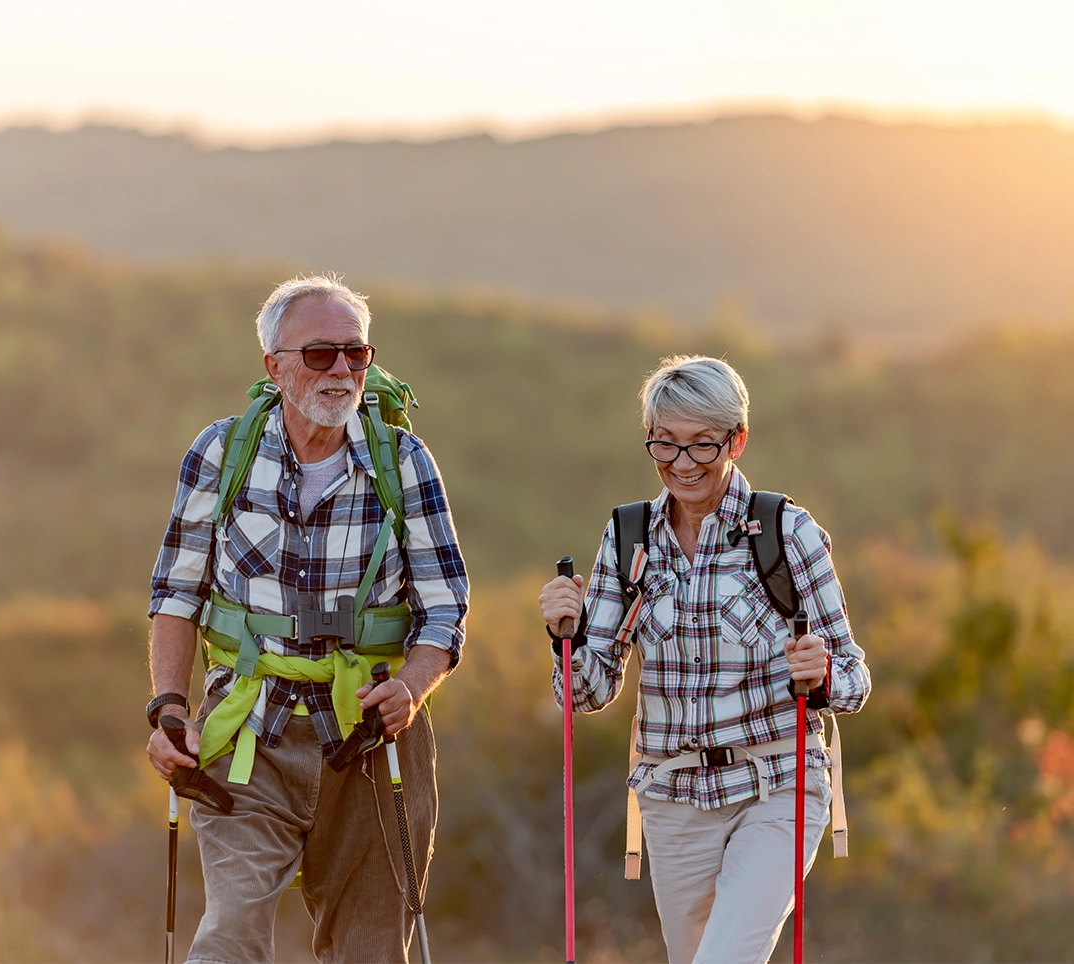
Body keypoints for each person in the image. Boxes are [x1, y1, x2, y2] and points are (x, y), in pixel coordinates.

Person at [143, 276, 468, 963]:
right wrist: (169, 708)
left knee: (370, 951)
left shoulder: (403, 463)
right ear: (275, 366)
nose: (344, 370)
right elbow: (176, 593)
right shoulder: (220, 453)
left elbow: (444, 608)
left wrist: (410, 688)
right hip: (246, 734)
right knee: (228, 937)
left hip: (372, 741)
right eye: (322, 354)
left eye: (357, 353)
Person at [539, 355, 871, 964]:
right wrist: (566, 633)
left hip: (776, 785)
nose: (682, 465)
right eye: (664, 446)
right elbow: (588, 694)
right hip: (671, 797)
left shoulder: (786, 533)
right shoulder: (628, 537)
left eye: (701, 446)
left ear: (736, 441)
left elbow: (854, 679)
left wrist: (820, 674)